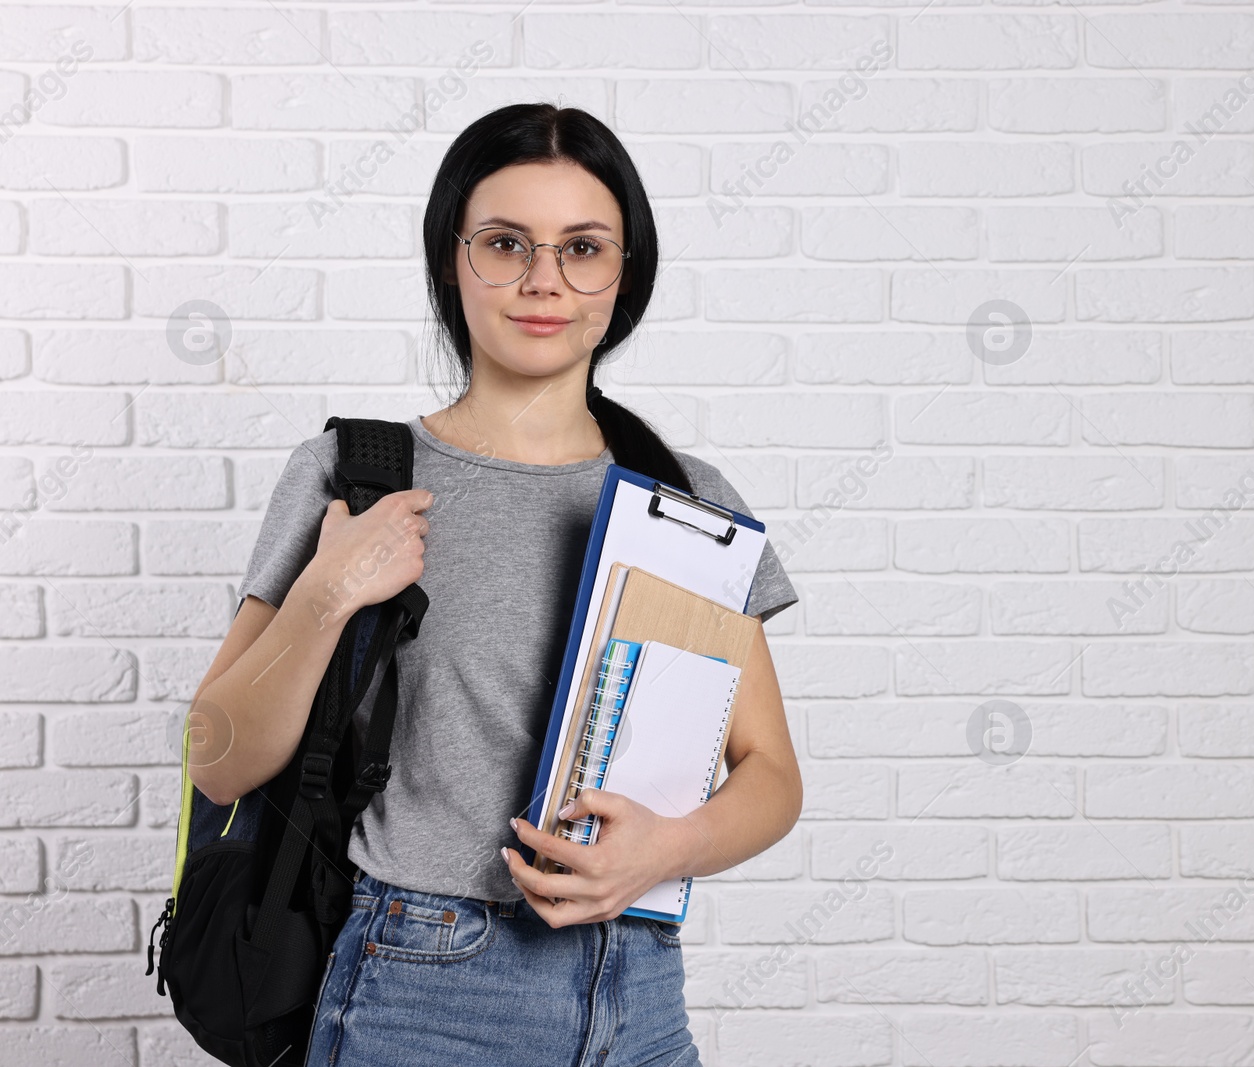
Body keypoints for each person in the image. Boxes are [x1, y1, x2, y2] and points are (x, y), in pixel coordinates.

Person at [183, 102, 803, 1066]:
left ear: (623, 271)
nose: (543, 279)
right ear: (450, 258)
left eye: (583, 247)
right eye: (506, 243)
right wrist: (328, 592)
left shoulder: (686, 503)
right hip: (422, 989)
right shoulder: (353, 475)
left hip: (637, 995)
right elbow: (217, 756)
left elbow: (771, 776)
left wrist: (666, 849)